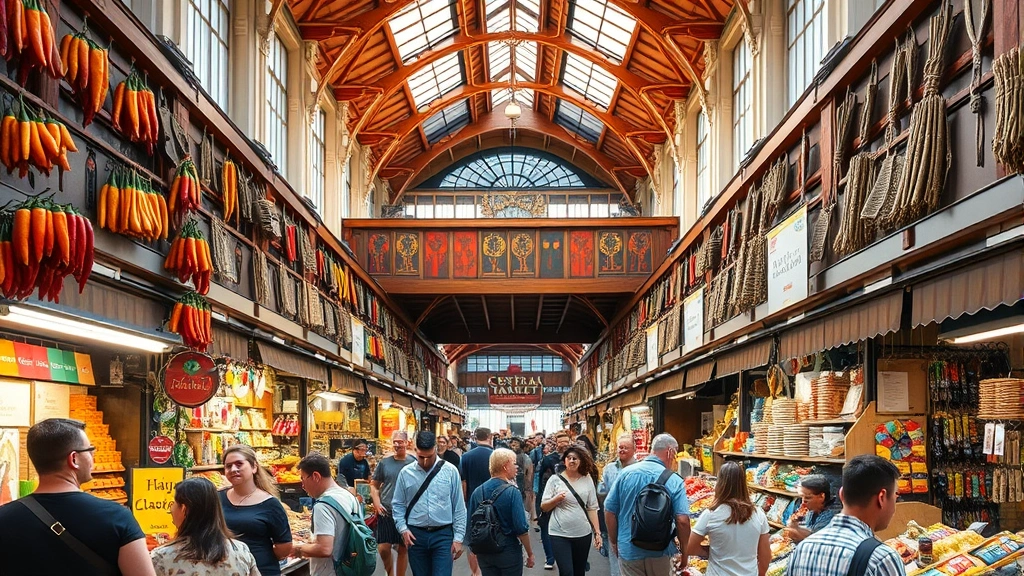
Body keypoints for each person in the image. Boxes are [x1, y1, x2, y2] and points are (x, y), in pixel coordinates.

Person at [0, 418, 154, 576]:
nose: (93, 456)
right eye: (90, 450)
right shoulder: (117, 518)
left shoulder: (4, 518)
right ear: (74, 459)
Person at [786, 455, 904, 576]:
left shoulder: (801, 550)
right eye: (895, 495)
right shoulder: (881, 559)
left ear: (841, 494)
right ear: (882, 498)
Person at [605, 433, 691, 576]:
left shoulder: (625, 474)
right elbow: (682, 521)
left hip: (629, 548)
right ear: (670, 452)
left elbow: (609, 511)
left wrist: (614, 541)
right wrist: (685, 552)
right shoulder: (674, 480)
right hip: (661, 551)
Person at [391, 431, 467, 576]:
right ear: (415, 450)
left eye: (429, 456)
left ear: (435, 449)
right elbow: (398, 504)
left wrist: (458, 538)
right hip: (415, 535)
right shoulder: (405, 473)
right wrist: (403, 529)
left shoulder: (450, 471)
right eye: (421, 457)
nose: (425, 461)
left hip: (443, 535)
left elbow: (459, 507)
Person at [151, 477, 259, 576]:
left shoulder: (162, 558)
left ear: (184, 509)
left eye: (173, 503)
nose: (171, 509)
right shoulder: (241, 551)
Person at [219, 444, 293, 576]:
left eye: (239, 464)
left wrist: (260, 555)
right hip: (224, 570)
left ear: (254, 467)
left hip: (262, 570)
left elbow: (284, 547)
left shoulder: (270, 504)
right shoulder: (217, 498)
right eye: (228, 466)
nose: (233, 469)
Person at [686, 462, 770, 576]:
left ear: (720, 484)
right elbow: (765, 558)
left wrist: (708, 552)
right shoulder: (759, 514)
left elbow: (690, 548)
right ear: (743, 484)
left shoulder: (710, 514)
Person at [468, 448, 536, 576]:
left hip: (485, 551)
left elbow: (471, 525)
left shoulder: (478, 492)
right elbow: (521, 527)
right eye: (514, 463)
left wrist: (474, 552)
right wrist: (530, 553)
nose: (516, 467)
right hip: (508, 551)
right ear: (506, 466)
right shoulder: (512, 492)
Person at [294, 453, 363, 576]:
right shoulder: (349, 497)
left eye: (303, 479)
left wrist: (296, 548)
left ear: (315, 476)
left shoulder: (323, 506)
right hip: (351, 568)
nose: (303, 486)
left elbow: (324, 549)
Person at [541, 446, 602, 576]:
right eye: (569, 458)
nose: (572, 461)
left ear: (581, 461)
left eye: (575, 458)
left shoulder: (587, 479)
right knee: (567, 572)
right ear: (564, 461)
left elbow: (592, 507)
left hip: (582, 533)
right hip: (559, 533)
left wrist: (597, 532)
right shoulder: (554, 480)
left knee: (579, 571)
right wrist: (555, 500)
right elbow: (544, 506)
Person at [371, 430, 417, 576]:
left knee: (403, 547)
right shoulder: (385, 463)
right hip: (386, 510)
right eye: (395, 442)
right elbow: (374, 485)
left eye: (400, 442)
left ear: (407, 442)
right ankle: (390, 572)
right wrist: (377, 503)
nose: (397, 445)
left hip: (405, 511)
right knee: (383, 548)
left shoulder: (414, 463)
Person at [598, 434, 638, 576]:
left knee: (632, 555)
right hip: (613, 517)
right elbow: (601, 490)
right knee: (614, 552)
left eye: (625, 448)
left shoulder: (640, 468)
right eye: (620, 447)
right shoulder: (610, 469)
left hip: (635, 519)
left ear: (634, 449)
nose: (621, 450)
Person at [461, 427, 495, 576]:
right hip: (494, 502)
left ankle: (475, 572)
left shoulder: (466, 457)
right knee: (493, 534)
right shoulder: (495, 456)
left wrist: (465, 501)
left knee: (472, 538)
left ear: (475, 437)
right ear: (489, 437)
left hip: (473, 503)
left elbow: (464, 482)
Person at [537, 432, 571, 569]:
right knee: (546, 527)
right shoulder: (548, 459)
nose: (563, 444)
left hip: (570, 499)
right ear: (556, 443)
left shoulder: (576, 458)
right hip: (550, 498)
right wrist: (540, 500)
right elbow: (541, 479)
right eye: (561, 441)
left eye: (566, 441)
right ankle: (550, 558)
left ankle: (571, 556)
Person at [784, 474, 840, 543]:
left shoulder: (833, 515)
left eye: (808, 498)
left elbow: (817, 541)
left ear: (822, 496)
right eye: (802, 497)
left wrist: (795, 529)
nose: (803, 502)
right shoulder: (811, 510)